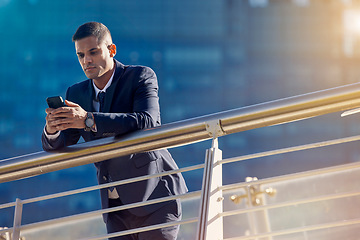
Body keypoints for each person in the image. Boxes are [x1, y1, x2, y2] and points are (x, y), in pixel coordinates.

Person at [41, 22, 188, 240]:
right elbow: (63, 143)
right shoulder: (77, 92)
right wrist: (52, 129)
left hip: (155, 196)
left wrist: (88, 120)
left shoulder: (140, 76)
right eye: (80, 55)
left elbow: (148, 121)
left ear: (111, 50)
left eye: (93, 52)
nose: (86, 60)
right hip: (114, 207)